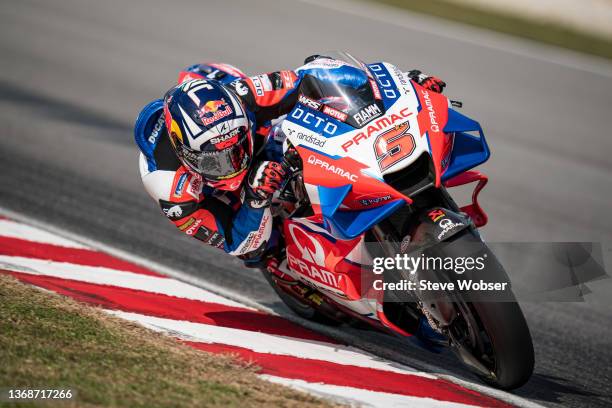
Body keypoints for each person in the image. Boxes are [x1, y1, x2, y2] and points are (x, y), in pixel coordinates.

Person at [134, 54, 446, 272]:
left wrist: (400, 86)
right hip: (231, 202)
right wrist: (255, 200)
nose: (233, 164)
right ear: (186, 154)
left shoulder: (247, 94)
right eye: (218, 162)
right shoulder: (170, 185)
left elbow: (313, 75)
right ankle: (288, 266)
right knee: (259, 248)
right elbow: (233, 241)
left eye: (238, 151)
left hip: (260, 132)